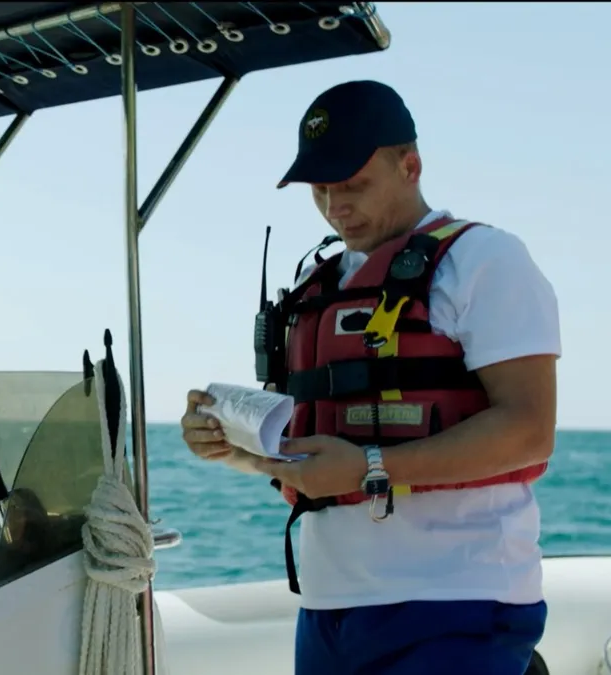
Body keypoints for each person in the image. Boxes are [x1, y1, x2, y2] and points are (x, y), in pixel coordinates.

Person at [181, 80, 559, 675]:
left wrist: (369, 468)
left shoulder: (486, 260)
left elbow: (530, 430)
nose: (335, 206)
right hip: (328, 607)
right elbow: (312, 448)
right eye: (320, 189)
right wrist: (234, 446)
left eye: (353, 184)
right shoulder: (318, 286)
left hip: (459, 600)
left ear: (410, 166)